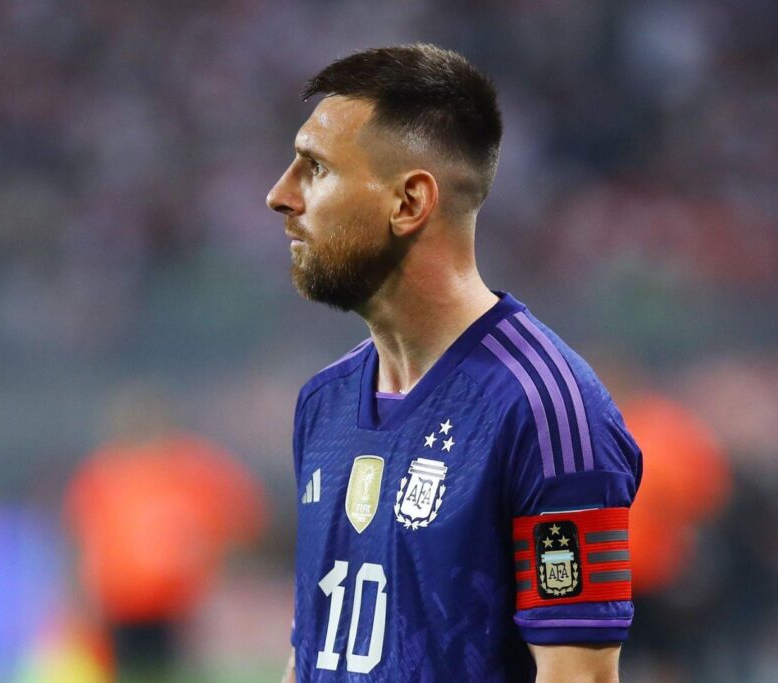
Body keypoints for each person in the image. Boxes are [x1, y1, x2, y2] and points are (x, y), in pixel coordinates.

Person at [266, 44, 642, 683]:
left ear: (410, 202)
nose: (281, 195)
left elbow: (577, 675)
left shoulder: (545, 409)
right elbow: (312, 654)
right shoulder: (323, 403)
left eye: (316, 168)